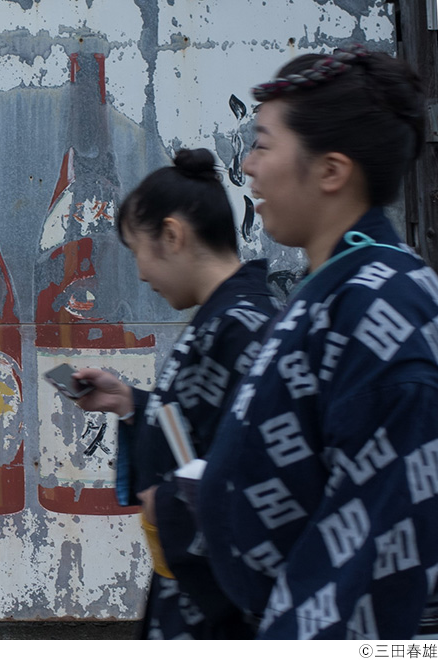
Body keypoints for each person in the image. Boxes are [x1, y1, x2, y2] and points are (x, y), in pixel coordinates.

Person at [198, 45, 438, 639]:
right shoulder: (335, 284)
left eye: (262, 144)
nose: (247, 166)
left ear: (331, 171)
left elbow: (372, 562)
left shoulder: (383, 307)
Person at [73, 147, 280, 639]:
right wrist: (128, 401)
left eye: (137, 250)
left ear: (172, 235)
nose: (141, 273)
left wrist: (161, 503)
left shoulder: (235, 329)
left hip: (216, 608)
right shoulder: (236, 317)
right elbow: (200, 429)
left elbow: (252, 473)